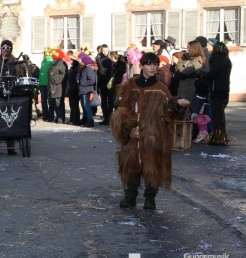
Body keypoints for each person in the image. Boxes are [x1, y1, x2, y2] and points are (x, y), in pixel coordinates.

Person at [111, 52, 190, 210]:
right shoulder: (131, 85)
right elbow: (121, 110)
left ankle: (150, 198)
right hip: (133, 135)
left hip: (153, 136)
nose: (153, 67)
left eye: (155, 64)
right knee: (131, 166)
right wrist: (128, 129)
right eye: (149, 64)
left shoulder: (161, 88)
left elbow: (168, 110)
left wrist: (177, 104)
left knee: (152, 167)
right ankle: (130, 197)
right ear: (141, 66)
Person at [0, 39, 31, 155]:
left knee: (14, 116)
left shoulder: (16, 61)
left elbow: (22, 75)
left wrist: (26, 67)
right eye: (3, 48)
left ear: (11, 49)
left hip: (13, 91)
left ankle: (11, 146)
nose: (5, 50)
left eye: (8, 48)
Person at [200, 42, 232, 146]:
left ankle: (217, 138)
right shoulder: (227, 61)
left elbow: (211, 75)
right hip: (224, 89)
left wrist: (202, 74)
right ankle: (221, 136)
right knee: (221, 113)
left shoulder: (217, 61)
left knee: (216, 113)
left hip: (216, 89)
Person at [48, 48, 68, 124]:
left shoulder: (61, 63)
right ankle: (58, 116)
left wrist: (57, 80)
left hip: (58, 86)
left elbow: (63, 74)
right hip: (53, 86)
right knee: (54, 103)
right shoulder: (54, 62)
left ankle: (61, 118)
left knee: (58, 103)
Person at [78, 52, 97, 127]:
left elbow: (92, 80)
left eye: (81, 61)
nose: (80, 62)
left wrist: (83, 83)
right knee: (84, 106)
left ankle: (90, 120)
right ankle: (86, 119)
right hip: (83, 90)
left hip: (86, 90)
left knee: (87, 106)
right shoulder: (84, 69)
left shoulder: (88, 69)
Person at [96, 44, 113, 125]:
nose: (105, 52)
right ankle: (106, 117)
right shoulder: (99, 59)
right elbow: (99, 71)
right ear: (101, 51)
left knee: (110, 101)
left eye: (106, 50)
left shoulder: (110, 59)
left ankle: (110, 117)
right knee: (103, 101)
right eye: (103, 51)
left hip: (109, 82)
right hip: (102, 82)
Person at [65, 53, 81, 125]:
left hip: (75, 89)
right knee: (72, 105)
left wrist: (72, 88)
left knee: (75, 105)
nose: (70, 61)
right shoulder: (72, 68)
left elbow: (75, 80)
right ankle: (72, 119)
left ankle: (75, 120)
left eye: (71, 60)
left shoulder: (76, 68)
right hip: (71, 87)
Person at [38, 48, 54, 122]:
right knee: (43, 101)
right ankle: (45, 115)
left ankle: (50, 116)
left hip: (48, 83)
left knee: (50, 101)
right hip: (42, 83)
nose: (43, 54)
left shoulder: (50, 60)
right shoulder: (43, 61)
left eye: (44, 53)